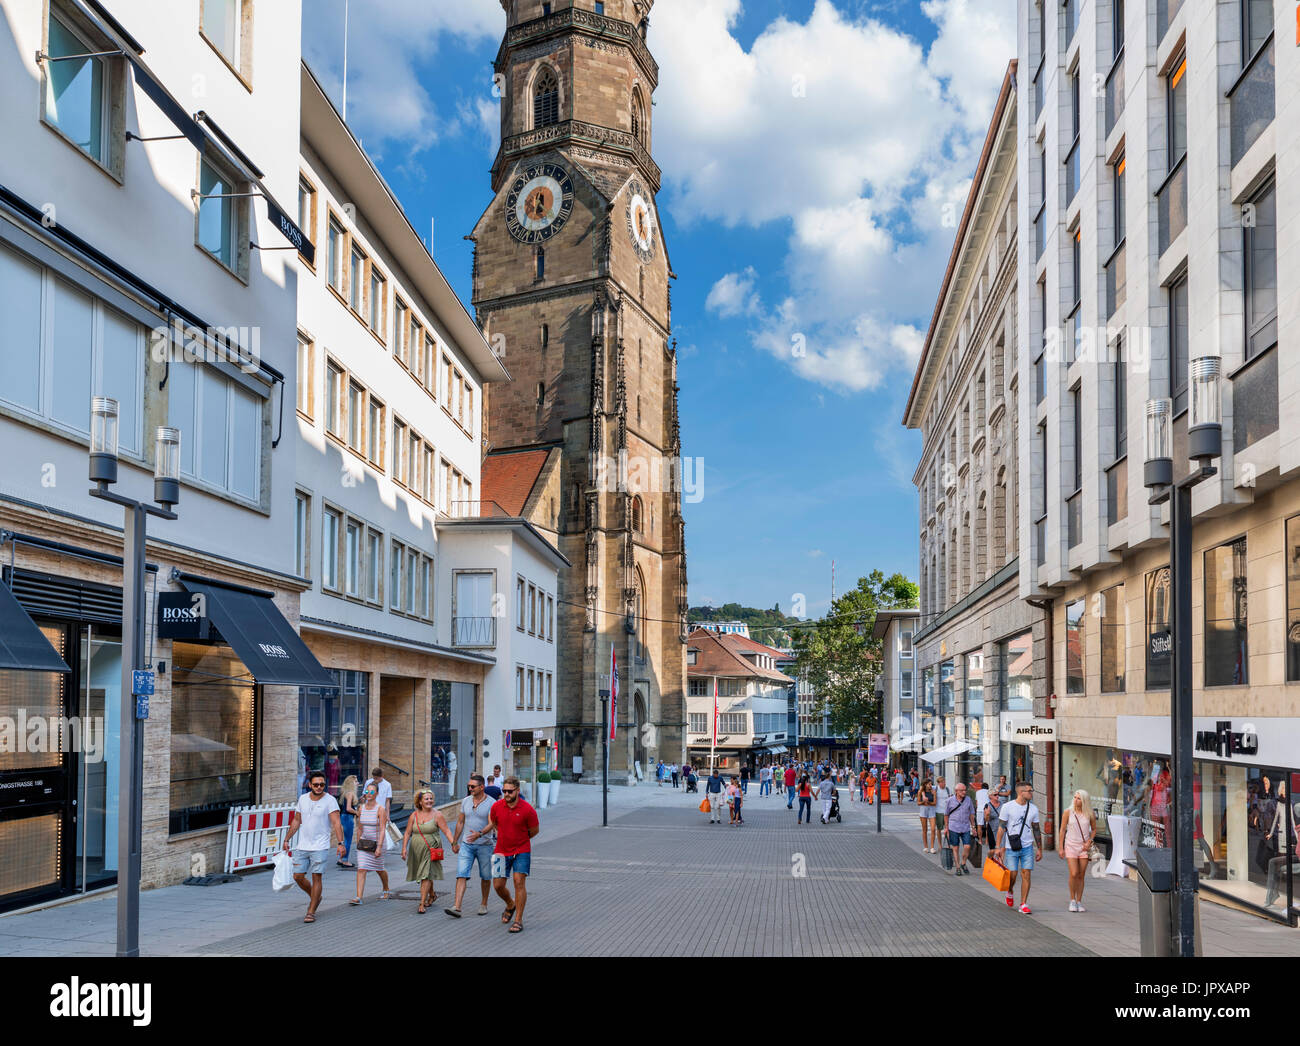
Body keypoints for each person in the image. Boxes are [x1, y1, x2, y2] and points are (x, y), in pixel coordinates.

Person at [473, 775, 539, 933]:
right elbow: (494, 823)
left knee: (518, 882)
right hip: (500, 850)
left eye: (510, 791)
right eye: (504, 791)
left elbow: (534, 831)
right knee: (498, 885)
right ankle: (511, 904)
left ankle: (518, 920)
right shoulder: (496, 807)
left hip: (521, 851)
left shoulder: (527, 809)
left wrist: (520, 840)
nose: (507, 794)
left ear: (517, 790)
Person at [283, 770, 345, 923]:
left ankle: (311, 911)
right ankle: (316, 896)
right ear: (310, 784)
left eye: (322, 784)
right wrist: (287, 839)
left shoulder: (330, 800)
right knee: (297, 876)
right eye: (316, 784)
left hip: (320, 846)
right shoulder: (303, 799)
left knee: (316, 877)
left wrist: (340, 843)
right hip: (302, 845)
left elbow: (337, 823)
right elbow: (297, 820)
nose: (319, 787)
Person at [446, 773, 496, 917]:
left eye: (473, 786)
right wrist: (454, 841)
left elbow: (492, 823)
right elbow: (460, 822)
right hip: (466, 845)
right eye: (468, 786)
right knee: (461, 874)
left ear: (482, 787)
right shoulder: (466, 801)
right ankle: (457, 906)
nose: (470, 788)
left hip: (485, 845)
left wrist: (479, 834)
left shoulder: (491, 803)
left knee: (486, 876)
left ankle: (484, 904)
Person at [403, 788, 453, 913]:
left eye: (431, 798)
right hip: (416, 849)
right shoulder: (413, 816)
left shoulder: (438, 815)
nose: (429, 801)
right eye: (426, 799)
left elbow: (446, 830)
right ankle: (432, 894)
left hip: (431, 849)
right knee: (426, 873)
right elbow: (407, 832)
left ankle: (421, 903)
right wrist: (404, 848)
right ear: (420, 802)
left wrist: (454, 843)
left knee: (425, 874)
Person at [995, 781, 1043, 914]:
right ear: (1021, 793)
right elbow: (1001, 827)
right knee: (1013, 874)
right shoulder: (1008, 807)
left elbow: (1036, 829)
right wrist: (998, 847)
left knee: (1026, 873)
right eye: (1029, 791)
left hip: (1027, 846)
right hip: (1012, 847)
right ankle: (1010, 890)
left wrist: (1039, 849)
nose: (1032, 793)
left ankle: (1023, 903)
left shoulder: (1033, 809)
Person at [351, 782, 390, 904]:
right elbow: (360, 827)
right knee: (361, 868)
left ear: (377, 794)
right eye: (367, 792)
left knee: (379, 869)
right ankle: (358, 897)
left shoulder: (380, 809)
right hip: (364, 844)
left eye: (372, 792)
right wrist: (358, 843)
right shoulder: (361, 808)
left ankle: (386, 889)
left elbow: (383, 828)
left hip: (377, 843)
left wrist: (379, 847)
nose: (369, 794)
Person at [1059, 788, 1097, 912]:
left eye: (1079, 798)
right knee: (1074, 873)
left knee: (1081, 875)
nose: (1076, 800)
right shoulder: (1068, 812)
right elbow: (1062, 830)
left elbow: (1094, 829)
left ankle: (1079, 901)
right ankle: (1072, 900)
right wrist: (1061, 848)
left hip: (1084, 847)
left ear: (1084, 801)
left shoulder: (1089, 813)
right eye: (1075, 797)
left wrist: (1089, 841)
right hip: (1070, 846)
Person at [944, 783, 976, 875]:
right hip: (953, 827)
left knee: (967, 846)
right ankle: (958, 867)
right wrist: (946, 828)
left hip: (965, 827)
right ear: (956, 791)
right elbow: (946, 815)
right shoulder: (950, 800)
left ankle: (963, 862)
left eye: (965, 790)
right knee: (955, 848)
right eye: (962, 790)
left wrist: (973, 827)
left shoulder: (968, 800)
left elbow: (971, 814)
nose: (964, 792)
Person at [336, 775, 358, 868]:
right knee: (348, 840)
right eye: (355, 781)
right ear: (351, 783)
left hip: (343, 816)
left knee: (344, 840)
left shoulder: (345, 793)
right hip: (348, 817)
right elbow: (349, 808)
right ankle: (345, 860)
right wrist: (357, 813)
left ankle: (341, 859)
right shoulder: (350, 793)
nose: (357, 783)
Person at [917, 777, 937, 852]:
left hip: (931, 811)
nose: (930, 785)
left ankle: (932, 847)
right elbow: (918, 803)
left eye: (931, 784)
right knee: (924, 830)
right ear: (925, 785)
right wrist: (923, 801)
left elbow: (935, 803)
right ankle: (926, 847)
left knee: (933, 829)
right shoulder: (920, 792)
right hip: (923, 811)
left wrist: (928, 802)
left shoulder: (933, 791)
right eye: (929, 784)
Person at [975, 779, 993, 848]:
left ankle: (980, 840)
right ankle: (987, 841)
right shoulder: (989, 792)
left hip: (979, 810)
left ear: (981, 787)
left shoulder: (977, 792)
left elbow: (977, 802)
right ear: (987, 787)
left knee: (979, 825)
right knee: (988, 825)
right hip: (987, 809)